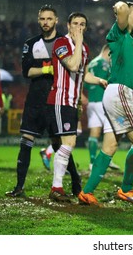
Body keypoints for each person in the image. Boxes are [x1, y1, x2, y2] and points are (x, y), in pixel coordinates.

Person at [5, 5, 81, 198]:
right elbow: (26, 71)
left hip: (56, 100)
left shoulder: (64, 42)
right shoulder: (31, 44)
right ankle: (19, 186)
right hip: (35, 101)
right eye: (42, 19)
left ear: (56, 20)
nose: (46, 22)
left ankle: (75, 181)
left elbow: (76, 69)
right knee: (26, 141)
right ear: (38, 21)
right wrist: (47, 70)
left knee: (59, 145)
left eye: (49, 19)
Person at [78, 1, 133, 206]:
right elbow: (122, 10)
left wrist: (128, 9)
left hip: (116, 93)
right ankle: (126, 189)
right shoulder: (119, 35)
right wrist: (123, 6)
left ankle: (87, 192)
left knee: (110, 145)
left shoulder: (132, 42)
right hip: (119, 93)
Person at [46, 12, 107, 202]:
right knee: (68, 144)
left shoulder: (85, 49)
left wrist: (98, 80)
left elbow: (83, 74)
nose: (78, 27)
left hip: (72, 103)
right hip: (60, 100)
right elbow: (72, 65)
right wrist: (79, 43)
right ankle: (57, 187)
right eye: (75, 24)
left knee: (64, 145)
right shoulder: (61, 43)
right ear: (68, 25)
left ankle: (64, 185)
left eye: (82, 24)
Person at [84, 44, 120, 171]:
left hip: (91, 101)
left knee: (95, 132)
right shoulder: (104, 64)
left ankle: (92, 162)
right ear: (107, 51)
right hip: (102, 101)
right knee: (112, 129)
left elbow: (86, 82)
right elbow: (109, 80)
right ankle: (107, 159)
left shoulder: (92, 63)